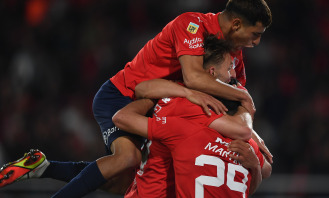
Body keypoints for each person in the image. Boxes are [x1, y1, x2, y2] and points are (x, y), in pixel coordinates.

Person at [0, 0, 272, 197]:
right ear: (236, 25)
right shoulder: (192, 24)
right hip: (123, 95)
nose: (256, 42)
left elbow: (235, 101)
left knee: (127, 183)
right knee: (126, 159)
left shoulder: (233, 58)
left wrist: (253, 136)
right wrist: (237, 99)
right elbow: (194, 78)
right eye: (255, 34)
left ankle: (43, 168)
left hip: (156, 104)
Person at [113, 36, 271, 197]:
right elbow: (244, 131)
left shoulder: (192, 110)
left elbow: (264, 168)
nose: (234, 75)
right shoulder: (185, 107)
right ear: (212, 72)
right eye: (230, 67)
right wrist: (245, 101)